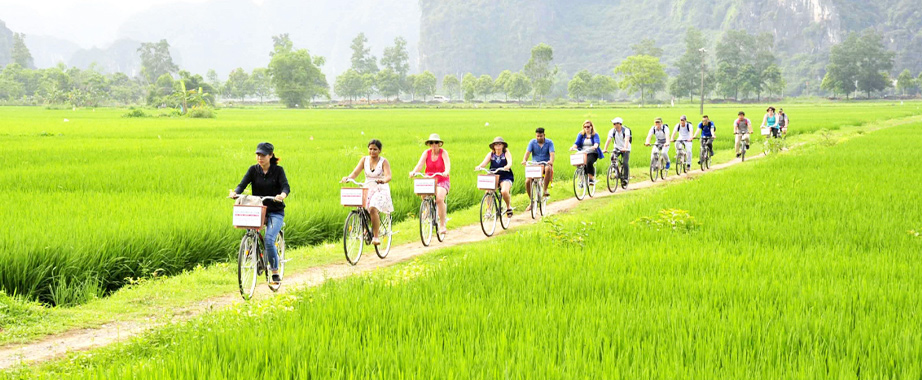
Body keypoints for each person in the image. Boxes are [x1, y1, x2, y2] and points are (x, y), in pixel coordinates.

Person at [229, 142, 289, 286]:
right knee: (250, 230)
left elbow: (286, 186)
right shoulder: (253, 170)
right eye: (258, 155)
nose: (259, 158)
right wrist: (235, 192)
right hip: (258, 210)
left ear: (270, 155)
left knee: (269, 240)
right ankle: (252, 252)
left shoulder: (278, 171)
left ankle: (274, 272)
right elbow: (242, 184)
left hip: (275, 211)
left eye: (262, 155)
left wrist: (282, 195)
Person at [341, 139, 393, 245]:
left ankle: (376, 236)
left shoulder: (383, 161)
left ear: (380, 151)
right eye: (370, 149)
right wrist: (348, 178)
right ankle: (366, 229)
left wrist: (383, 180)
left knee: (373, 208)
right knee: (362, 208)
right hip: (367, 187)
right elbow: (355, 172)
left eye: (375, 149)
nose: (372, 151)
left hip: (380, 189)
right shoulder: (364, 160)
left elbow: (388, 176)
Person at [409, 133, 451, 236]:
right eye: (432, 143)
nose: (434, 144)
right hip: (429, 180)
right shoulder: (426, 153)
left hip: (442, 180)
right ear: (429, 144)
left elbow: (447, 164)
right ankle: (427, 208)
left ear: (439, 144)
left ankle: (442, 225)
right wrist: (414, 172)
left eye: (436, 142)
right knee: (423, 194)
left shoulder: (443, 153)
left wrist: (446, 171)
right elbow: (420, 165)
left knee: (439, 199)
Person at [475, 137, 514, 217]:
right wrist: (479, 167)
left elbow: (510, 161)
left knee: (504, 191)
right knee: (488, 191)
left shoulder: (506, 152)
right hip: (494, 176)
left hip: (505, 176)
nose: (498, 146)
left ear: (503, 145)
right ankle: (488, 210)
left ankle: (508, 207)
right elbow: (484, 163)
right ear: (493, 146)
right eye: (496, 144)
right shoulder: (491, 154)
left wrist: (507, 166)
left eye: (500, 144)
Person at [521, 127, 555, 211]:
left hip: (545, 164)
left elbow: (552, 154)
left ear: (544, 135)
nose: (539, 138)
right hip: (535, 165)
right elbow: (527, 153)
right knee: (528, 181)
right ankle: (531, 201)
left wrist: (551, 161)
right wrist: (524, 160)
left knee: (548, 169)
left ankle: (545, 189)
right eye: (537, 136)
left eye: (541, 136)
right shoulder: (532, 142)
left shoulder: (549, 142)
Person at [569, 120, 604, 185]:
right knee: (578, 163)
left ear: (591, 127)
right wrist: (573, 147)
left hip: (592, 152)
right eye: (585, 127)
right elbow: (577, 143)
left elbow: (597, 142)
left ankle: (591, 179)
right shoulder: (581, 134)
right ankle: (581, 180)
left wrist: (595, 146)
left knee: (589, 162)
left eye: (588, 127)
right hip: (582, 152)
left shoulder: (595, 135)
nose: (586, 128)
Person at [603, 117, 631, 186]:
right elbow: (609, 139)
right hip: (617, 147)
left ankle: (625, 178)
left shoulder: (626, 130)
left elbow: (627, 139)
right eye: (613, 123)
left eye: (615, 123)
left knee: (625, 162)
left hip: (626, 148)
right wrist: (605, 149)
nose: (614, 125)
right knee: (612, 157)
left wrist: (625, 147)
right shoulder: (612, 131)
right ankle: (614, 169)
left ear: (620, 124)